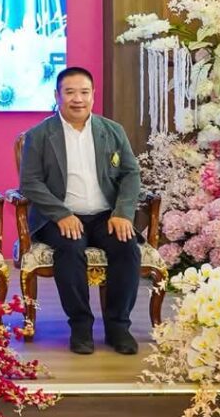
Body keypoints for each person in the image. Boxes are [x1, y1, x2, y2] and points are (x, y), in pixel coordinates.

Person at [19, 66, 142, 355]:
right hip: (59, 216)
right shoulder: (40, 134)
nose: (78, 99)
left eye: (84, 92)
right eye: (70, 92)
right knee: (70, 248)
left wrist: (122, 213)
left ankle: (118, 327)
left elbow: (131, 173)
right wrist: (61, 214)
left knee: (126, 247)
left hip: (105, 215)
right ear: (57, 95)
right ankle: (81, 327)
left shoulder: (112, 131)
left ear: (93, 95)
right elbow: (30, 182)